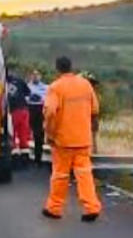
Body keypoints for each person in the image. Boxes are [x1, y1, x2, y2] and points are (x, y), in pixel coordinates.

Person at [41, 56, 102, 222]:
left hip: (63, 141)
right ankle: (92, 207)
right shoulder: (85, 84)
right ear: (71, 67)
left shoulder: (55, 87)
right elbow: (95, 110)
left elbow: (51, 112)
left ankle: (54, 208)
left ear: (57, 69)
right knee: (84, 175)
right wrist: (92, 131)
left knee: (60, 175)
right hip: (83, 138)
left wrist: (50, 134)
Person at [5, 69, 32, 156]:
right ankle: (25, 152)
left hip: (12, 110)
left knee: (12, 132)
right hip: (24, 109)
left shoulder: (1, 83)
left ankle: (14, 151)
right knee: (23, 132)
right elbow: (28, 93)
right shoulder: (19, 80)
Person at [26, 69, 48, 164]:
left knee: (39, 134)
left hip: (40, 109)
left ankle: (38, 156)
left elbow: (49, 98)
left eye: (37, 75)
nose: (35, 76)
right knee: (29, 133)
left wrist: (41, 98)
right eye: (33, 75)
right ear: (31, 76)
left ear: (40, 76)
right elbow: (23, 97)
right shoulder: (27, 86)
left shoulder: (46, 87)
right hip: (30, 108)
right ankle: (27, 156)